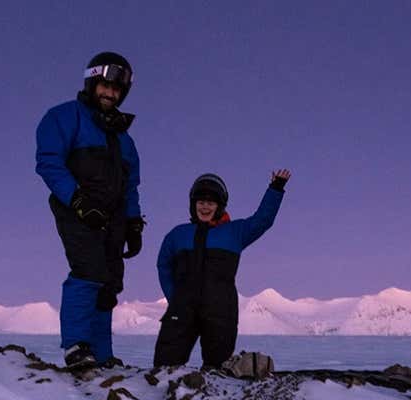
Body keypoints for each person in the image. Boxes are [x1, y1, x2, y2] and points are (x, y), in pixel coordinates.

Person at [35, 52, 144, 370]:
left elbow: (131, 185)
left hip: (114, 216)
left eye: (117, 90)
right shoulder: (64, 117)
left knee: (109, 282)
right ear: (92, 82)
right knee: (89, 271)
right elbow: (49, 162)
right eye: (105, 86)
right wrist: (78, 201)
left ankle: (102, 354)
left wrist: (134, 222)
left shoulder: (124, 140)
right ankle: (77, 347)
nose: (111, 94)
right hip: (77, 208)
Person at [153, 169, 291, 368]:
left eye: (211, 202)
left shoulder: (234, 232)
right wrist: (174, 297)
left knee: (218, 372)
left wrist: (275, 188)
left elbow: (263, 220)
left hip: (220, 311)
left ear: (219, 206)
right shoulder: (177, 234)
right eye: (201, 202)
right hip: (181, 310)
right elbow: (163, 265)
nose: (205, 207)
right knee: (163, 369)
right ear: (193, 205)